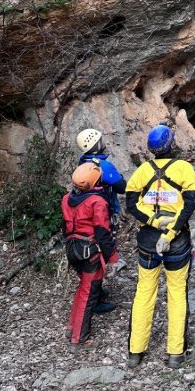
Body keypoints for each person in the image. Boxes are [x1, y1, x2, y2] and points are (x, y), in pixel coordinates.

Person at [125, 124, 195, 369]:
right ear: (172, 144)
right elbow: (189, 205)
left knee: (144, 292)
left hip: (147, 241)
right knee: (177, 294)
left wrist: (153, 220)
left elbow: (131, 204)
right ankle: (176, 353)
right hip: (176, 242)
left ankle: (136, 352)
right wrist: (170, 230)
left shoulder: (142, 171)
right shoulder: (184, 168)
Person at [61, 162, 118, 350]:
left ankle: (72, 328)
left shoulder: (66, 199)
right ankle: (79, 338)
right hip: (90, 252)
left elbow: (65, 228)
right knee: (89, 294)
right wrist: (113, 258)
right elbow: (102, 232)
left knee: (82, 290)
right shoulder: (97, 202)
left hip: (72, 249)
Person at [76, 128, 127, 313]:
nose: (104, 142)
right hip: (102, 212)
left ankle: (95, 290)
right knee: (102, 252)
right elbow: (122, 187)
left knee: (92, 252)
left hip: (85, 215)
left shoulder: (82, 162)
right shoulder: (102, 166)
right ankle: (94, 298)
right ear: (96, 145)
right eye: (101, 139)